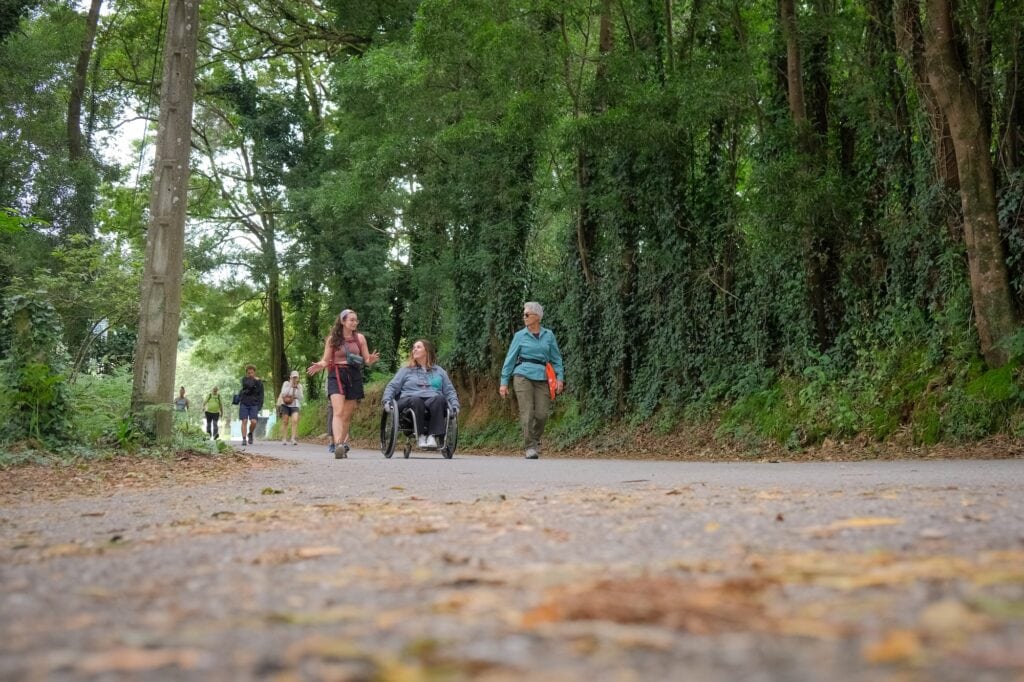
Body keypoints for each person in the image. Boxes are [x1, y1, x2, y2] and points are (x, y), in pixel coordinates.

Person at [307, 309, 380, 458]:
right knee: (338, 411)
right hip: (336, 374)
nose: (354, 322)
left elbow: (366, 360)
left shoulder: (360, 338)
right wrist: (320, 365)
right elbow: (325, 359)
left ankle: (340, 443)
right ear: (343, 321)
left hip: (353, 375)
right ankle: (338, 445)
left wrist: (370, 360)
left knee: (347, 415)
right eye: (351, 320)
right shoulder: (332, 339)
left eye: (356, 320)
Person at [499, 301, 565, 459]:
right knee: (527, 412)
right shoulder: (519, 336)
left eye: (527, 314)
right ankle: (529, 447)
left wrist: (560, 379)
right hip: (522, 375)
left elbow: (556, 359)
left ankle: (534, 440)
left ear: (537, 317)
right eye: (524, 314)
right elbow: (510, 359)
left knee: (542, 414)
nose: (524, 317)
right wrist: (503, 382)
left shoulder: (548, 335)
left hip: (542, 377)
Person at [382, 339, 460, 449]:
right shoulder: (406, 370)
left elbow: (449, 391)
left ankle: (432, 436)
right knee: (416, 400)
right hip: (409, 400)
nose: (414, 349)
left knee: (440, 399)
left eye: (418, 347)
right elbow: (392, 386)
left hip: (431, 400)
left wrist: (455, 405)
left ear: (427, 351)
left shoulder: (439, 371)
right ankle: (421, 436)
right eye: (413, 347)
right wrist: (386, 400)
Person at [237, 364, 264, 446]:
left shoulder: (259, 382)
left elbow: (261, 394)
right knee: (244, 420)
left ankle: (250, 433)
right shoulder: (244, 380)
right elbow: (248, 385)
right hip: (244, 403)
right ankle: (244, 439)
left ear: (254, 373)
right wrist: (256, 380)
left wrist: (260, 405)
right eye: (248, 373)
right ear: (246, 373)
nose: (250, 374)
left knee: (254, 422)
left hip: (254, 404)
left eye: (252, 373)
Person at [277, 370, 303, 446]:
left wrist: (297, 389)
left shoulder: (299, 386)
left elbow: (301, 397)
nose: (295, 379)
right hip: (285, 404)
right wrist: (290, 386)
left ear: (298, 378)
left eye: (296, 377)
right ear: (290, 377)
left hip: (295, 404)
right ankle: (284, 438)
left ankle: (293, 438)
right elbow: (283, 393)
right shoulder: (286, 383)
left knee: (295, 420)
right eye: (293, 377)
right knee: (285, 421)